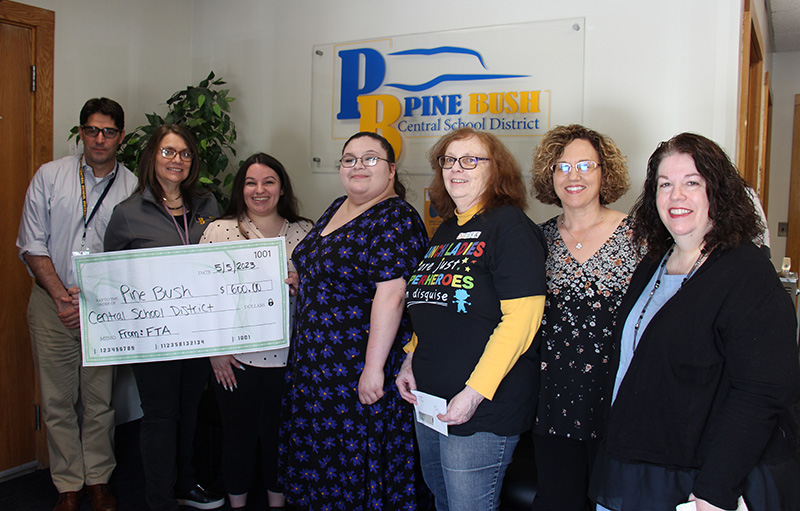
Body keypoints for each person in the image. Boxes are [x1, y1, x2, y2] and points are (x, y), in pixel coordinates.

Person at [589, 133, 800, 511]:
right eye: (665, 185)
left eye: (692, 183)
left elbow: (762, 394)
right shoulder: (654, 263)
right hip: (637, 466)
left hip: (702, 481)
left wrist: (712, 491)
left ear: (716, 192)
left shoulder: (748, 274)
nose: (676, 196)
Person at [397, 127, 547, 511]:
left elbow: (522, 320)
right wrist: (410, 358)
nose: (456, 169)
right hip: (431, 400)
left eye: (470, 160)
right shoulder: (446, 230)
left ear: (495, 169)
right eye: (448, 161)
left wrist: (472, 394)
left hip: (481, 407)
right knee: (442, 499)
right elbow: (431, 303)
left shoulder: (509, 226)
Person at [279, 131, 431, 511]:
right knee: (321, 464)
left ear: (391, 170)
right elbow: (333, 268)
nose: (357, 166)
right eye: (349, 159)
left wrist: (373, 369)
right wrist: (305, 277)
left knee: (354, 470)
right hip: (317, 371)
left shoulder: (396, 217)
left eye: (369, 158)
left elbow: (393, 295)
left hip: (357, 368)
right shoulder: (336, 207)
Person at [16, 97, 137, 511]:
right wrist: (60, 296)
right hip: (53, 305)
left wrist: (92, 301)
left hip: (104, 308)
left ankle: (98, 479)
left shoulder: (133, 186)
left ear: (121, 136)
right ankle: (68, 482)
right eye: (91, 130)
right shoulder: (50, 176)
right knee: (57, 399)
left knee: (100, 400)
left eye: (108, 131)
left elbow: (135, 254)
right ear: (80, 131)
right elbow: (31, 243)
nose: (99, 139)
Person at [103, 124, 222, 511]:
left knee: (190, 412)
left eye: (185, 153)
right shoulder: (127, 214)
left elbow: (222, 261)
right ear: (152, 156)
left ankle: (185, 484)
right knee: (160, 415)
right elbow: (111, 278)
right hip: (153, 337)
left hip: (198, 332)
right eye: (169, 152)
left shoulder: (207, 205)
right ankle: (159, 499)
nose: (177, 160)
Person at [528, 124, 642, 511]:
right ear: (549, 176)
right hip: (552, 399)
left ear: (604, 172)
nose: (572, 176)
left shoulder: (639, 236)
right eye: (561, 167)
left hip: (617, 399)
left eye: (584, 165)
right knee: (557, 501)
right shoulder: (536, 239)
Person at [199, 153, 313, 510]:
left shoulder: (304, 232)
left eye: (268, 182)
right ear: (241, 188)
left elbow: (322, 294)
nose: (259, 190)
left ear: (281, 189)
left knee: (280, 439)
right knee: (237, 437)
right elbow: (201, 298)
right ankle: (237, 504)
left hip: (288, 359)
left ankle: (277, 504)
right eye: (251, 182)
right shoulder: (219, 230)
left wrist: (302, 285)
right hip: (233, 360)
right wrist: (215, 352)